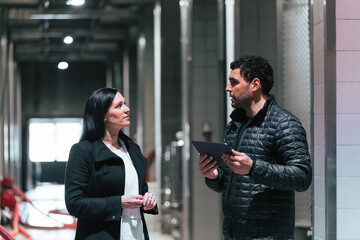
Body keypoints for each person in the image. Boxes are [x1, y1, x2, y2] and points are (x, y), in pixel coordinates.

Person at [198, 55, 312, 240]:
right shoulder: (235, 126)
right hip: (233, 233)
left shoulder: (284, 123)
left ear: (255, 84)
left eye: (234, 82)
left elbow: (302, 177)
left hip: (268, 235)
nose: (228, 88)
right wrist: (213, 175)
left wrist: (253, 168)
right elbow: (231, 182)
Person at [65, 87, 158, 240]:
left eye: (125, 104)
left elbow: (140, 189)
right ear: (103, 115)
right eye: (119, 106)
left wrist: (148, 198)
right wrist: (119, 202)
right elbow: (74, 203)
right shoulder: (83, 151)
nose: (127, 109)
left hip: (136, 233)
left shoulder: (132, 149)